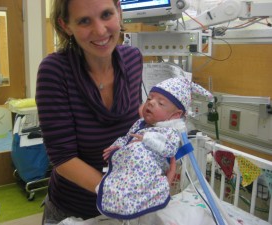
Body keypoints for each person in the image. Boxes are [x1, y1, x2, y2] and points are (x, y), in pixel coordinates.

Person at [35, 0, 145, 223]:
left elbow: (135, 125)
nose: (100, 30)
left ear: (119, 12)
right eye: (84, 21)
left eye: (106, 15)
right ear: (66, 26)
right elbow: (64, 158)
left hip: (125, 205)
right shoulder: (55, 71)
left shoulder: (133, 60)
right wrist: (118, 192)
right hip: (74, 211)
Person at [96, 77, 213, 220]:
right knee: (127, 163)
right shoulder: (140, 123)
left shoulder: (170, 132)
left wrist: (146, 139)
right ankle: (116, 196)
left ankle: (136, 200)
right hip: (130, 168)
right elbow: (128, 137)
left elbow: (169, 149)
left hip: (149, 170)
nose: (150, 102)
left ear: (175, 115)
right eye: (149, 98)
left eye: (160, 103)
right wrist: (118, 145)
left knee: (138, 152)